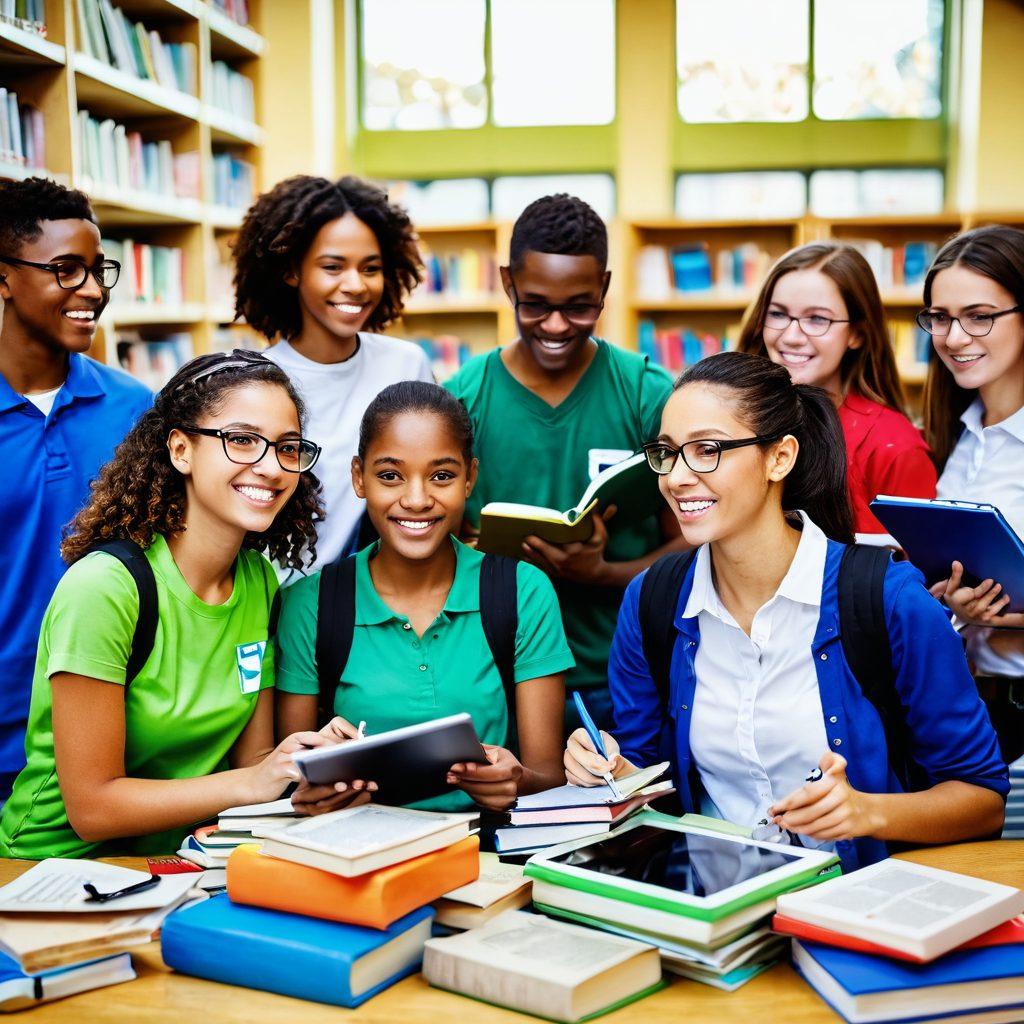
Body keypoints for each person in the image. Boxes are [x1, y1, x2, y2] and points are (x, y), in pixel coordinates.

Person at [564, 351, 1007, 872]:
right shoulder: (652, 599)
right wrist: (607, 768)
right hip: (714, 915)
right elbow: (646, 773)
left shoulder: (890, 600)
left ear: (780, 458)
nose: (678, 477)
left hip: (854, 910)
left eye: (707, 450)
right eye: (666, 452)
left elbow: (983, 800)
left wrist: (867, 814)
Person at [0, 351, 360, 860]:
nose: (271, 467)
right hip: (51, 871)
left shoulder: (258, 581)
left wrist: (302, 772)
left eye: (287, 448)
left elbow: (251, 764)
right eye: (241, 440)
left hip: (181, 862)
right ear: (181, 450)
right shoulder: (105, 589)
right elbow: (92, 808)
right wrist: (254, 781)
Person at [445, 194, 685, 733]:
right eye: (535, 304)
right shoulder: (463, 398)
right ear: (507, 283)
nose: (556, 325)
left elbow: (695, 539)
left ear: (603, 286)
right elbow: (435, 540)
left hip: (622, 673)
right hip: (498, 675)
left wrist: (603, 574)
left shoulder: (647, 394)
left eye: (579, 306)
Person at [274, 381, 572, 812]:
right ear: (359, 478)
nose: (416, 500)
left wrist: (517, 780)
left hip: (487, 854)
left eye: (442, 476)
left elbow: (547, 778)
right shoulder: (311, 604)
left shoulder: (523, 592)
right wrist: (315, 792)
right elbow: (292, 778)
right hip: (358, 852)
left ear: (470, 478)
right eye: (390, 476)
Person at [0, 177, 152, 801]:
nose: (92, 291)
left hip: (116, 726)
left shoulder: (137, 409)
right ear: (5, 277)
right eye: (66, 271)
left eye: (98, 270)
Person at [233, 175, 434, 572]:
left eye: (370, 268)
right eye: (333, 267)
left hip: (365, 601)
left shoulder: (406, 365)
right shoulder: (250, 381)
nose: (355, 285)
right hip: (266, 602)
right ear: (292, 271)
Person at [738, 241, 937, 535]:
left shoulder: (894, 448)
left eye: (818, 319)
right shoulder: (737, 419)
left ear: (856, 333)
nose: (792, 336)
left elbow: (916, 569)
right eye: (778, 314)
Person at [920, 225, 1024, 763]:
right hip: (977, 707)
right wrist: (951, 603)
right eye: (939, 318)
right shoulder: (954, 437)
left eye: (979, 315)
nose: (954, 337)